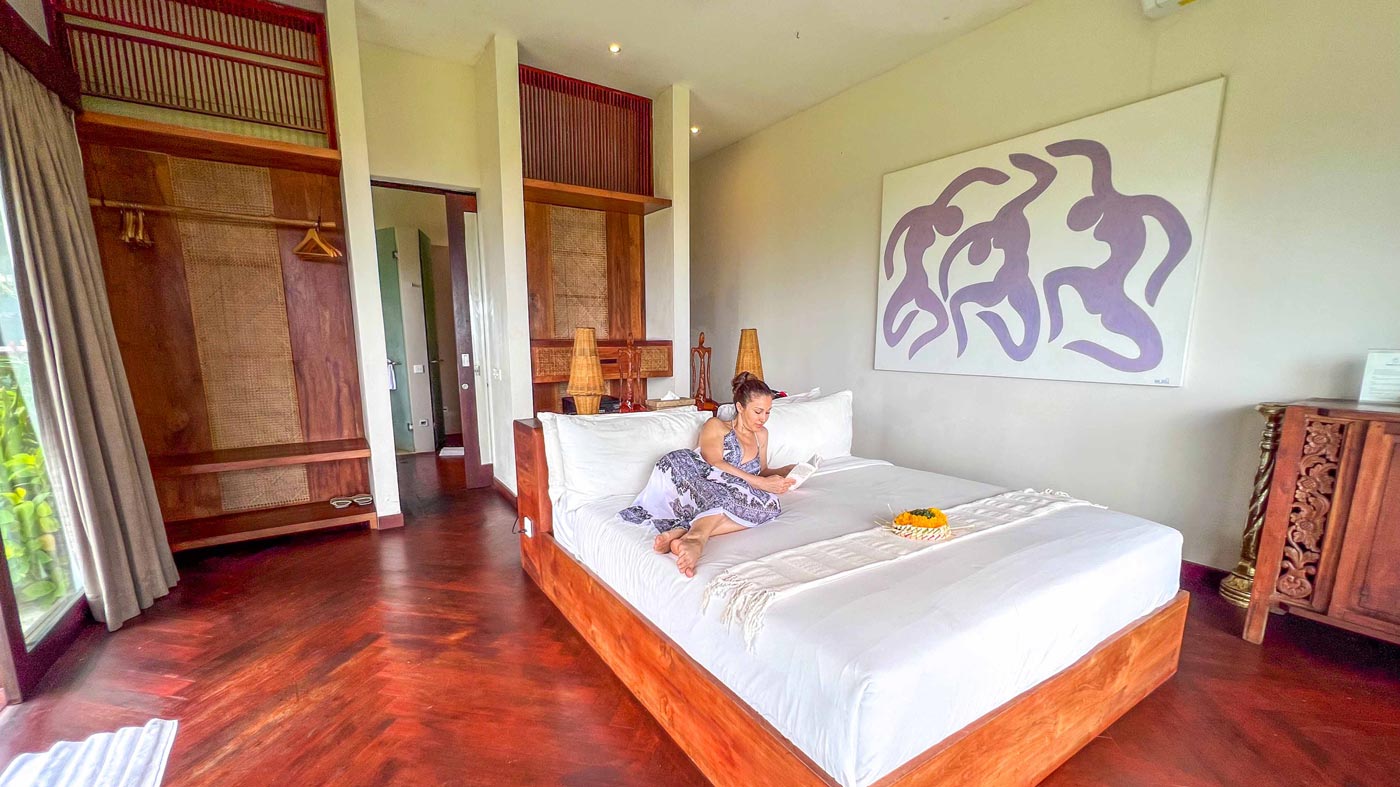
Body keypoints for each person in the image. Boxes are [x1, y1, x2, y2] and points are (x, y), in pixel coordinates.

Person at [620, 372, 795, 577]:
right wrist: (759, 483)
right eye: (758, 411)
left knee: (770, 505)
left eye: (768, 412)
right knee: (722, 493)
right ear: (740, 407)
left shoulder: (761, 435)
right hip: (692, 474)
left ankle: (684, 533)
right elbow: (715, 462)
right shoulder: (716, 426)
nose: (763, 418)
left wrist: (787, 471)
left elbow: (762, 470)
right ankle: (696, 539)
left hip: (730, 488)